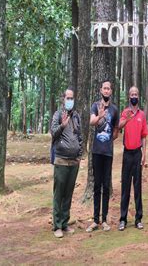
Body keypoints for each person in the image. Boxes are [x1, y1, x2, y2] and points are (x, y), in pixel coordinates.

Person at [86, 80, 119, 232]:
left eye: (108, 89)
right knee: (97, 185)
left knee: (106, 186)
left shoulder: (114, 109)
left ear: (111, 91)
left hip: (108, 153)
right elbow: (92, 122)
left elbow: (116, 131)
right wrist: (99, 116)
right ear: (101, 90)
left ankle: (104, 219)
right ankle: (95, 220)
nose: (106, 91)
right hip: (96, 152)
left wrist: (108, 140)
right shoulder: (95, 106)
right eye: (104, 88)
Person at [50, 88, 83, 238]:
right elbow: (53, 132)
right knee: (59, 194)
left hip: (73, 162)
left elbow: (80, 137)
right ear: (63, 99)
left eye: (72, 98)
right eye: (68, 98)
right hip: (61, 160)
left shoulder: (76, 116)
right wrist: (62, 125)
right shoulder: (58, 114)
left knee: (68, 194)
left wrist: (79, 155)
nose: (70, 100)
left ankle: (64, 223)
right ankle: (56, 225)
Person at [118, 86, 148, 231]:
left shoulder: (142, 115)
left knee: (137, 187)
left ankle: (138, 218)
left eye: (136, 94)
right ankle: (122, 219)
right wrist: (127, 119)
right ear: (129, 97)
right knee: (125, 187)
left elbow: (144, 136)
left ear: (138, 96)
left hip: (137, 154)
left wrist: (144, 154)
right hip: (127, 154)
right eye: (132, 94)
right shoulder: (125, 112)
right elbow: (119, 126)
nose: (134, 96)